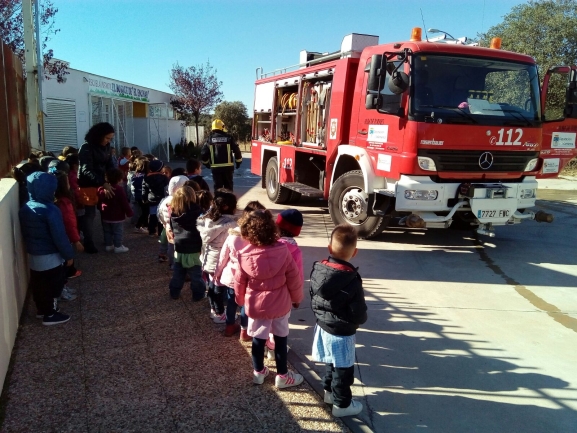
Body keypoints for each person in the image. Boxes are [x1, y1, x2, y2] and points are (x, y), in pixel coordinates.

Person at [234, 209, 304, 388]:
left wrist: (240, 300)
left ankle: (258, 372)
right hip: (280, 304)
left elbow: (239, 282)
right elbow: (294, 278)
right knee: (280, 339)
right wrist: (297, 298)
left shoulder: (243, 255)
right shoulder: (283, 251)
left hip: (256, 306)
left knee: (258, 339)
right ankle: (282, 375)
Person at [310, 224, 367, 417]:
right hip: (342, 332)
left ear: (329, 248)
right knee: (343, 370)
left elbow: (313, 296)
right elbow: (358, 311)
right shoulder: (351, 279)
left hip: (323, 325)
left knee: (330, 361)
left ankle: (328, 392)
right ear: (355, 252)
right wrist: (360, 320)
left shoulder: (318, 270)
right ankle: (342, 405)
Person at [19, 172, 75, 325]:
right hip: (50, 255)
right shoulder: (50, 210)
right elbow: (59, 236)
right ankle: (50, 314)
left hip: (33, 254)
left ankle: (41, 310)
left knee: (38, 285)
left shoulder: (25, 208)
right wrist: (68, 255)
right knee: (53, 285)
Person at [214, 200, 266, 340]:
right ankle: (244, 330)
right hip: (249, 278)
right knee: (245, 305)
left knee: (231, 302)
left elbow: (223, 257)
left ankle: (229, 326)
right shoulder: (259, 238)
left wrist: (217, 273)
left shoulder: (233, 236)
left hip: (232, 277)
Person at [264, 209, 304, 359]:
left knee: (266, 321)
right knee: (280, 323)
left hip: (266, 290)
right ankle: (274, 349)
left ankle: (264, 344)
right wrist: (297, 298)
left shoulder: (269, 244)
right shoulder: (295, 251)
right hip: (285, 295)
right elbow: (297, 277)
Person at [196, 190, 238, 330]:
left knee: (212, 286)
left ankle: (214, 310)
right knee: (218, 289)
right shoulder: (231, 224)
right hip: (221, 262)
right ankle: (219, 313)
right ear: (227, 207)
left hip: (208, 259)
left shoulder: (207, 220)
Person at [78, 122, 116, 253]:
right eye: (107, 138)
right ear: (99, 135)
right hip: (88, 185)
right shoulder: (86, 147)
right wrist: (102, 182)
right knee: (90, 215)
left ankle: (108, 239)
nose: (108, 141)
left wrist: (113, 179)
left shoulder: (107, 147)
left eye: (110, 138)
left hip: (103, 183)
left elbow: (110, 165)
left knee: (106, 211)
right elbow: (86, 170)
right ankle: (88, 242)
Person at [167, 186, 205, 301]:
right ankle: (198, 294)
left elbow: (172, 228)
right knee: (196, 275)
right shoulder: (197, 212)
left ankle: (174, 292)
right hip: (194, 249)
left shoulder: (174, 213)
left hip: (179, 248)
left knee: (178, 274)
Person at [53, 170, 82, 299]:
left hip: (62, 238)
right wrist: (76, 240)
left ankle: (63, 288)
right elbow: (69, 223)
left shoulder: (57, 201)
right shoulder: (64, 203)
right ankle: (62, 290)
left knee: (62, 266)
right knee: (65, 265)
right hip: (66, 239)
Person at [97, 168, 133, 253]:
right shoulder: (119, 189)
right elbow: (124, 202)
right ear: (118, 179)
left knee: (107, 231)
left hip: (105, 214)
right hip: (117, 215)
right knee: (118, 232)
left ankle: (108, 245)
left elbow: (99, 201)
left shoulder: (101, 189)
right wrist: (129, 212)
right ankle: (118, 246)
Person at [200, 119, 242, 192]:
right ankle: (229, 199)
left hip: (216, 169)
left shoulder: (210, 139)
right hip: (228, 168)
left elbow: (203, 153)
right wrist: (238, 162)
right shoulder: (229, 138)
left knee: (218, 188)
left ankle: (218, 199)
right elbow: (237, 151)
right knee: (228, 187)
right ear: (222, 127)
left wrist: (206, 164)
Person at [158, 175, 188, 266]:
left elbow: (159, 213)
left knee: (171, 245)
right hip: (180, 229)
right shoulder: (182, 200)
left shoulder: (166, 200)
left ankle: (172, 264)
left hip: (168, 227)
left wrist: (164, 224)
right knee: (179, 247)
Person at [142, 159, 168, 236]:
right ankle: (160, 232)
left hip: (151, 199)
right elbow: (166, 188)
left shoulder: (146, 177)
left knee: (152, 215)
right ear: (160, 168)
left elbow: (144, 189)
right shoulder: (164, 177)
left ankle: (151, 231)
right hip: (162, 199)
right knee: (161, 216)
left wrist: (144, 198)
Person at [131, 157, 149, 233]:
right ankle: (138, 226)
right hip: (143, 196)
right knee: (145, 212)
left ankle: (145, 226)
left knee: (144, 211)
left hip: (137, 195)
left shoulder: (136, 175)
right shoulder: (145, 176)